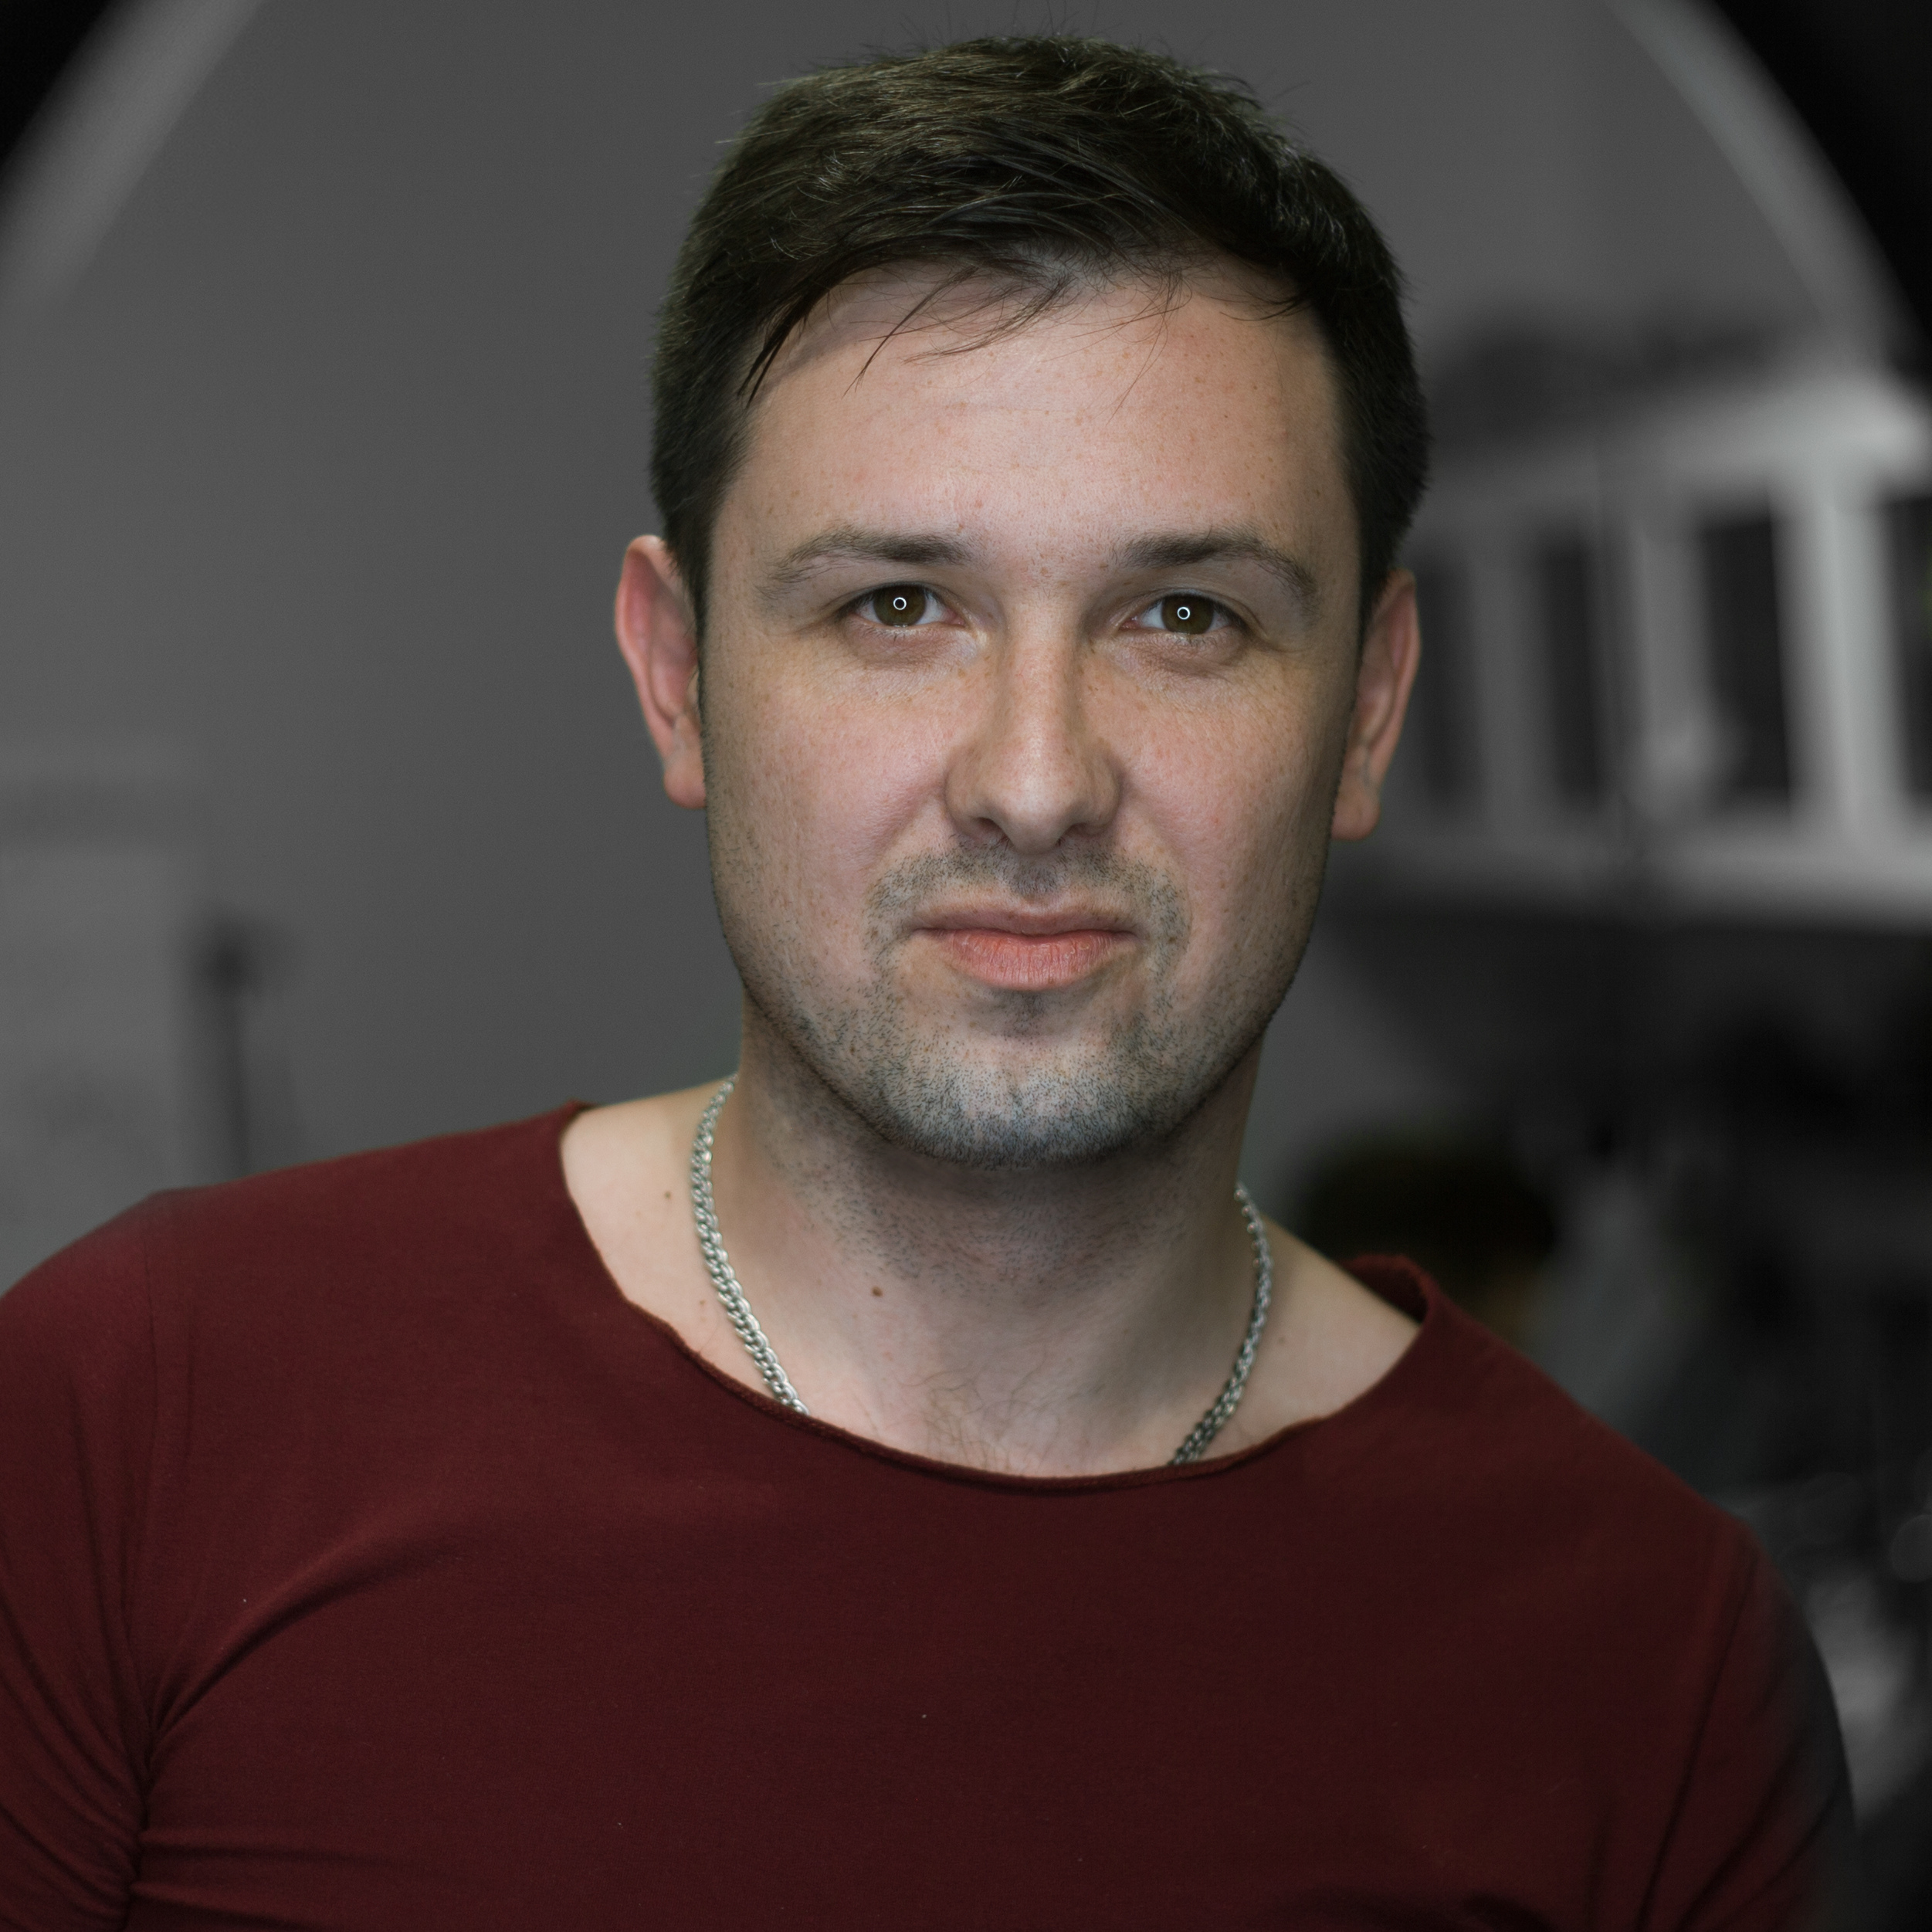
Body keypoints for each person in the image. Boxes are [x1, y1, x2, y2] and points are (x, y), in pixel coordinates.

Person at [0, 35, 1848, 1930]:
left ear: (1368, 709)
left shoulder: (1660, 1673)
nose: (1036, 782)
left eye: (1185, 616)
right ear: (677, 677)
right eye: (898, 607)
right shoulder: (145, 1414)